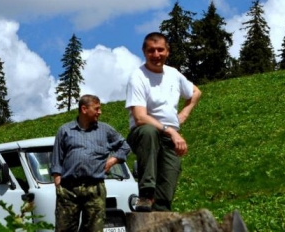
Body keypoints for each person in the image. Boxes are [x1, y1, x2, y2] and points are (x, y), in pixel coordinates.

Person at [125, 32, 202, 213]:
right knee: (148, 132)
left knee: (166, 190)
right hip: (143, 134)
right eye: (151, 51)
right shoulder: (138, 76)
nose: (156, 55)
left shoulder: (173, 74)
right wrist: (173, 131)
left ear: (168, 51)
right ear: (144, 52)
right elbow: (140, 117)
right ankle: (145, 194)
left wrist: (183, 114)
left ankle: (160, 213)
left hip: (169, 138)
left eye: (160, 50)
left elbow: (196, 92)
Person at [51, 95, 131, 232]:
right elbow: (57, 157)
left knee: (94, 229)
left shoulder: (105, 130)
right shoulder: (65, 130)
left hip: (95, 188)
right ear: (84, 109)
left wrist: (112, 160)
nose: (100, 112)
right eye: (97, 108)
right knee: (64, 229)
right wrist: (57, 180)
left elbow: (125, 146)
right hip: (69, 189)